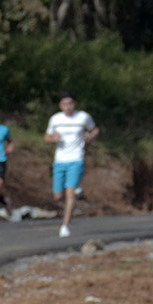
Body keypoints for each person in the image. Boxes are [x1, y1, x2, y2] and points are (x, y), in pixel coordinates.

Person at [44, 93, 99, 238]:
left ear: (74, 104)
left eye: (70, 103)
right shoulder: (55, 119)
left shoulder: (83, 117)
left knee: (69, 193)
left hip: (76, 159)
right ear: (60, 105)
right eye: (65, 104)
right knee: (57, 196)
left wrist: (90, 136)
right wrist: (53, 138)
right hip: (60, 160)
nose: (68, 106)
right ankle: (76, 193)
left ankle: (65, 226)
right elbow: (46, 137)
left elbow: (95, 130)